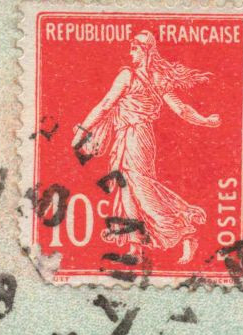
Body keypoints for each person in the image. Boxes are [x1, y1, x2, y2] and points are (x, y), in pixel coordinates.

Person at [72, 31, 222, 264]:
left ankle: (184, 230)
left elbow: (105, 105)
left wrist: (82, 130)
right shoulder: (155, 78)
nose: (130, 53)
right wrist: (204, 120)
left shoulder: (129, 75)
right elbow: (180, 108)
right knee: (126, 190)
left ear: (145, 51)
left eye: (134, 48)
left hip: (136, 137)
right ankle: (135, 247)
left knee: (142, 190)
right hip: (128, 136)